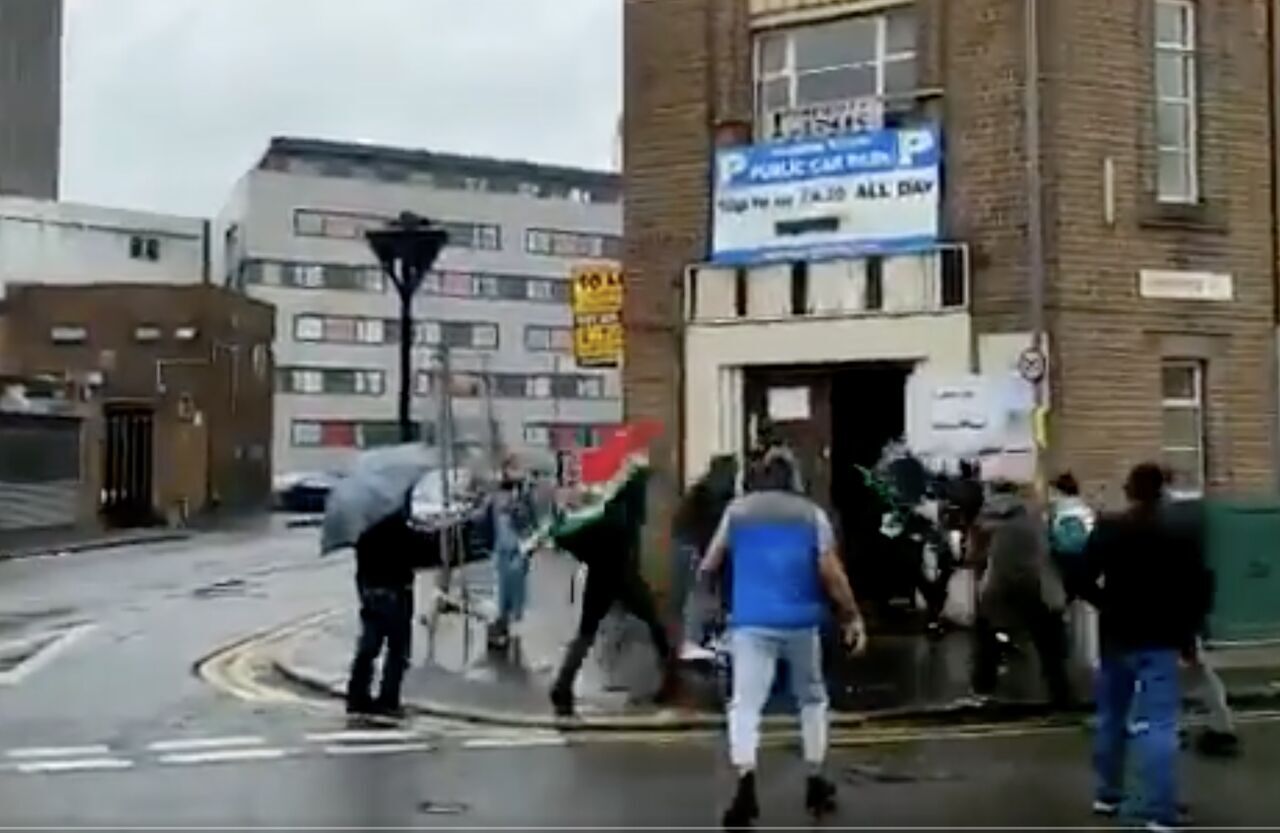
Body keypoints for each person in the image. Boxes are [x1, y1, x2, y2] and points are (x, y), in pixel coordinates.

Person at [699, 449, 867, 830]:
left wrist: (713, 606)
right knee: (811, 699)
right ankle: (815, 780)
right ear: (794, 476)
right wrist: (852, 615)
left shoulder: (737, 512)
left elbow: (711, 563)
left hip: (750, 622)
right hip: (800, 622)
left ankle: (745, 785)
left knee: (745, 706)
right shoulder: (811, 514)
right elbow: (831, 574)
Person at [1079, 463, 1206, 831]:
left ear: (1130, 490)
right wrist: (1189, 639)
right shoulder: (1180, 532)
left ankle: (1107, 795)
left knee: (1110, 719)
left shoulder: (1110, 528)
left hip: (1117, 638)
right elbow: (1195, 591)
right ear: (1162, 490)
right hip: (1162, 638)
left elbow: (1080, 578)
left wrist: (1107, 604)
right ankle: (1160, 813)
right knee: (1160, 725)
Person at [548, 463, 677, 718]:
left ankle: (562, 685)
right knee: (655, 624)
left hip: (602, 578)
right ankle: (671, 679)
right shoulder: (621, 517)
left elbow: (573, 540)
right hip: (621, 578)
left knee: (586, 634)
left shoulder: (611, 512)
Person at [968, 480, 1073, 707]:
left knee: (987, 637)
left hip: (998, 584)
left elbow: (973, 557)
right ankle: (1059, 691)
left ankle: (983, 690)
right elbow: (1052, 548)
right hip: (1036, 584)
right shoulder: (1034, 517)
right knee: (1047, 640)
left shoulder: (982, 521)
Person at [346, 502, 427, 717]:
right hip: (396, 594)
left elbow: (360, 565)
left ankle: (357, 695)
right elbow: (417, 555)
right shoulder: (398, 527)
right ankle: (388, 699)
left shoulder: (363, 527)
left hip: (371, 593)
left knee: (368, 647)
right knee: (397, 650)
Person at [671, 455, 739, 659]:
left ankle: (688, 640)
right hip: (698, 549)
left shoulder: (698, 491)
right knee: (699, 595)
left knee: (687, 597)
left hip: (683, 546)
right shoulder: (722, 497)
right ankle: (694, 641)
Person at [484, 457, 538, 649]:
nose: (514, 473)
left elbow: (530, 519)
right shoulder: (496, 494)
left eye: (517, 469)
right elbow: (488, 518)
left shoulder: (524, 494)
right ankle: (499, 626)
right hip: (501, 548)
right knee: (501, 589)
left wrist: (517, 507)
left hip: (518, 547)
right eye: (511, 469)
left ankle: (505, 625)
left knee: (515, 589)